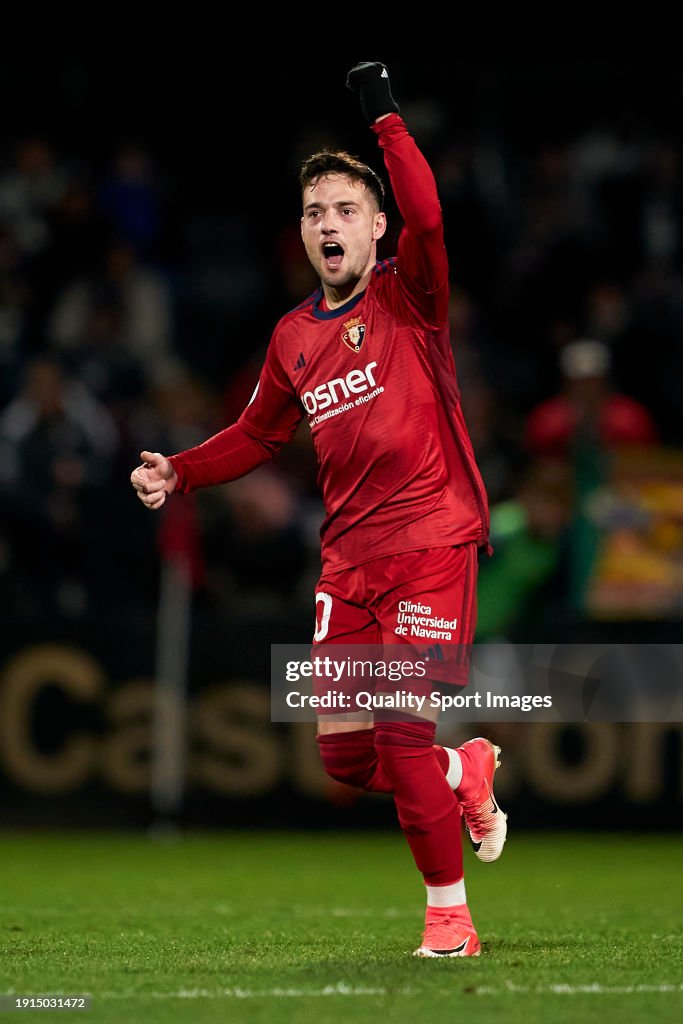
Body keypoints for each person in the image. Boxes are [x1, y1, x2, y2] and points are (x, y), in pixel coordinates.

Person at [131, 63, 507, 959]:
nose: (328, 225)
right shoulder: (293, 337)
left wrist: (382, 113)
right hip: (348, 562)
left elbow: (428, 212)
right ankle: (468, 768)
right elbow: (257, 436)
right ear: (300, 233)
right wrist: (179, 472)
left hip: (429, 539)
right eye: (314, 213)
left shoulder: (409, 297)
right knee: (344, 758)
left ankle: (449, 921)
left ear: (375, 227)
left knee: (405, 730)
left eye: (344, 210)